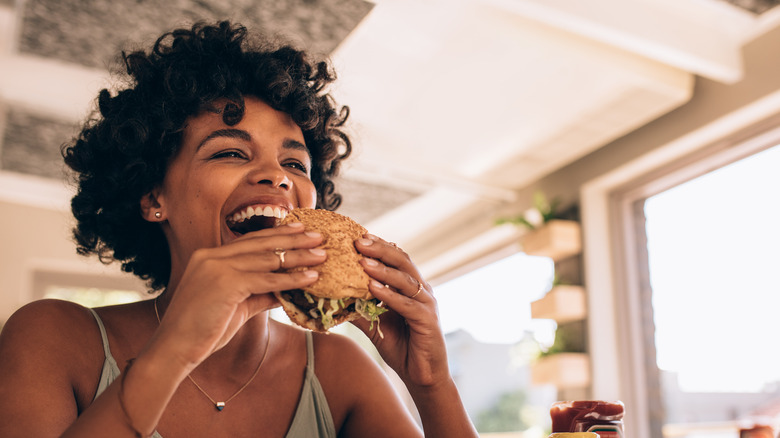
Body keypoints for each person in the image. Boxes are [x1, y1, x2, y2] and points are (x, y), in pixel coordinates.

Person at [0, 21, 478, 438]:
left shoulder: (340, 370)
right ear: (152, 198)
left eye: (295, 162)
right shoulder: (53, 337)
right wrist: (174, 352)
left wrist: (432, 385)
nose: (279, 176)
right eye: (230, 152)